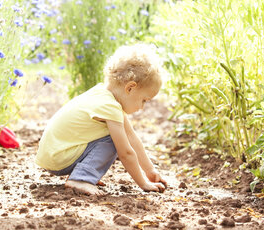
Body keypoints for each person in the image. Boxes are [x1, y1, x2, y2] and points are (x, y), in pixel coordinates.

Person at [35, 44, 168, 195]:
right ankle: (81, 179)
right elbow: (126, 152)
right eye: (144, 100)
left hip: (55, 154)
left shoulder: (103, 95)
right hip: (59, 158)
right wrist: (143, 183)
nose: (142, 107)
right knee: (115, 140)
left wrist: (150, 171)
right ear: (130, 88)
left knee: (119, 136)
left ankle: (84, 174)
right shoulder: (110, 107)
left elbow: (133, 138)